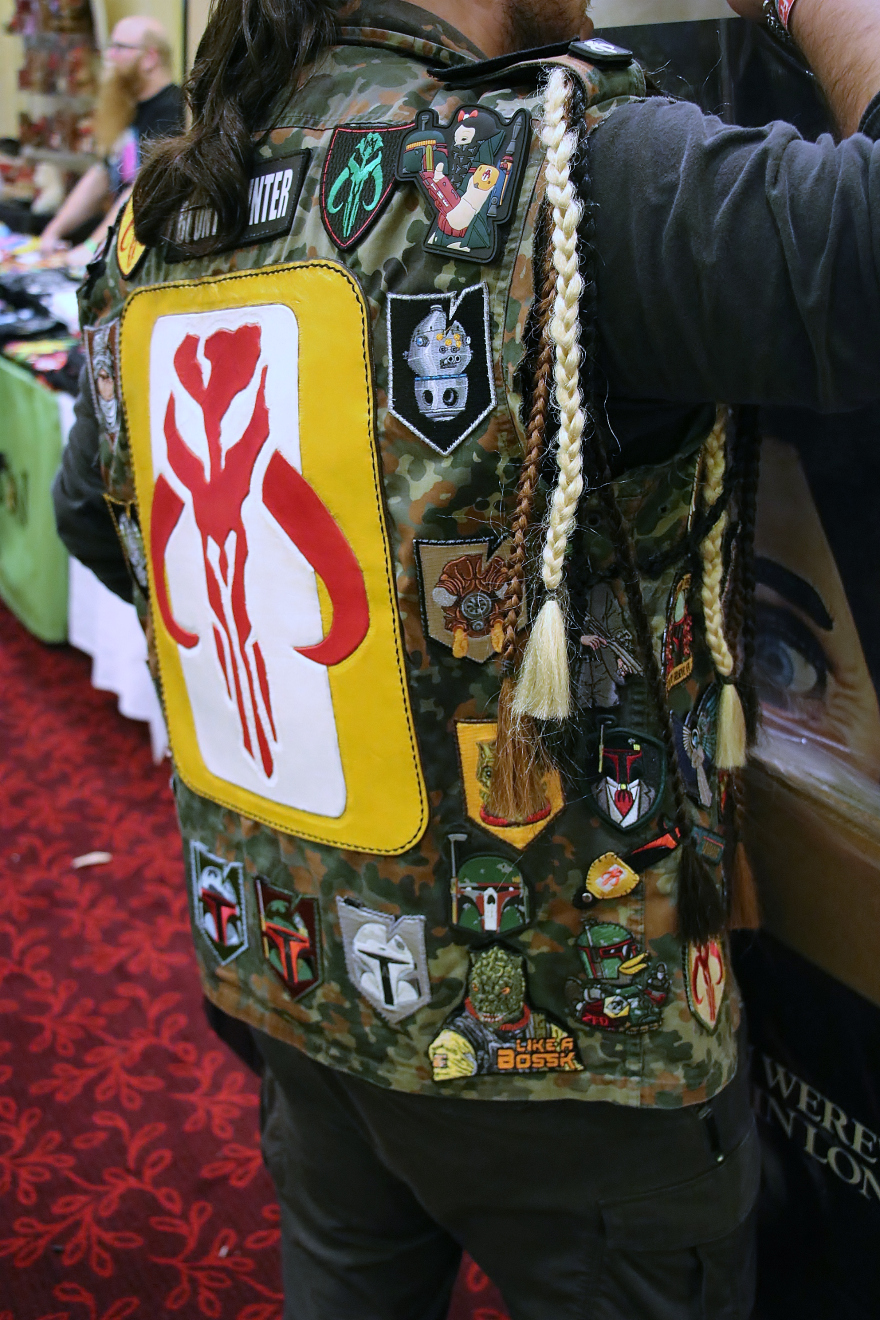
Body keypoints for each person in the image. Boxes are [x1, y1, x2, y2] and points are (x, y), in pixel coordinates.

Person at [51, 0, 880, 1314]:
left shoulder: (168, 209)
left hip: (292, 973)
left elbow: (98, 521)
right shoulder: (567, 172)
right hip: (574, 1067)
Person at [39, 17, 182, 266]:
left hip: (147, 257)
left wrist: (93, 248)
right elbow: (102, 174)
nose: (110, 56)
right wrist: (53, 231)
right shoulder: (129, 107)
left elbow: (141, 189)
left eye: (119, 48)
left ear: (150, 58)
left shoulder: (172, 111)